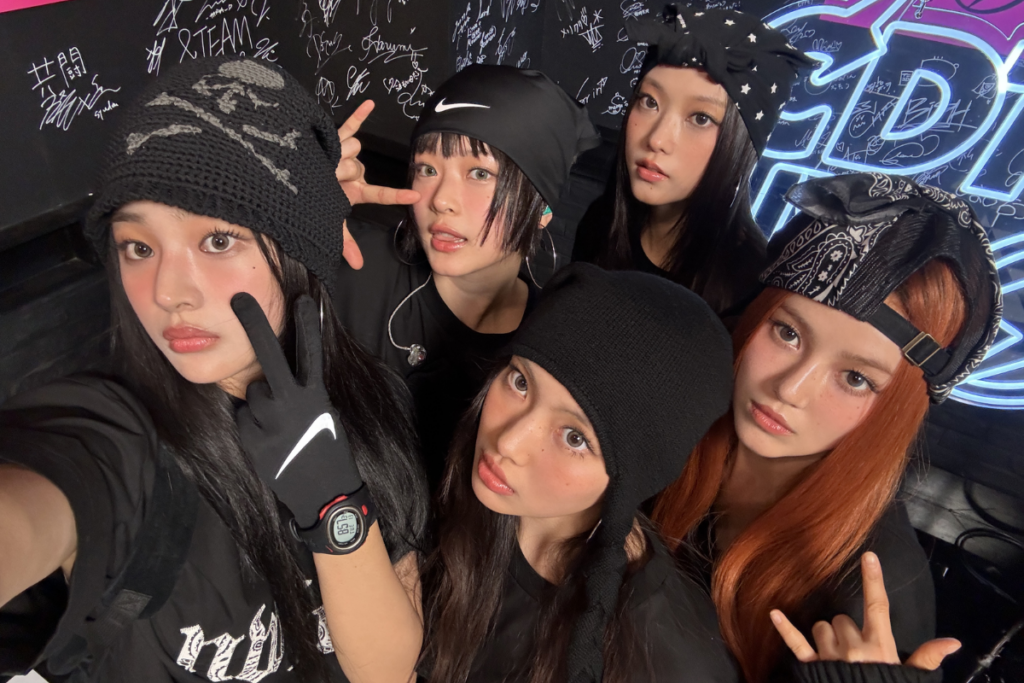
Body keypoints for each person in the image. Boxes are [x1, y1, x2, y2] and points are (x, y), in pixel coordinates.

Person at [0, 56, 429, 683]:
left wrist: (332, 501)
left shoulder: (372, 400)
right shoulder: (116, 437)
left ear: (298, 251)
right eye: (138, 247)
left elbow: (388, 669)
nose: (169, 291)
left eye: (218, 240)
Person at [651, 172, 1002, 683]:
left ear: (897, 409)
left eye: (855, 378)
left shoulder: (873, 592)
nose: (791, 389)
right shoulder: (677, 406)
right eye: (787, 333)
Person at [419, 262, 738, 683]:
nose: (508, 443)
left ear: (636, 474)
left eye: (574, 437)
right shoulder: (437, 464)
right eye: (520, 382)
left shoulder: (666, 661)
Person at [333, 65, 600, 487]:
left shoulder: (548, 352)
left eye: (480, 173)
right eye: (426, 168)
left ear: (542, 208)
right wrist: (297, 211)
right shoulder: (353, 263)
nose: (441, 200)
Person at [572, 4, 816, 316]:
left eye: (701, 118)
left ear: (741, 144)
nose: (657, 140)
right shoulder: (601, 224)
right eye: (649, 102)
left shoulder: (748, 291)